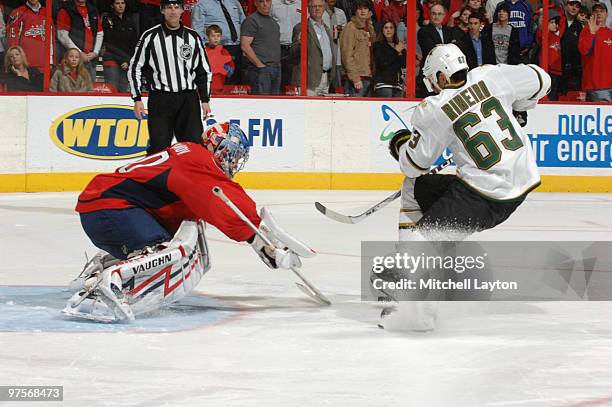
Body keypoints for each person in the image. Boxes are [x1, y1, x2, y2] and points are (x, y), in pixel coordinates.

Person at [64, 122, 313, 322]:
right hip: (111, 210)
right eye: (233, 155)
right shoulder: (197, 159)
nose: (235, 163)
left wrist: (261, 238)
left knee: (167, 241)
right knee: (165, 249)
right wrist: (260, 239)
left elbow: (210, 206)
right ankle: (113, 279)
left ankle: (100, 268)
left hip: (104, 209)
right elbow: (225, 201)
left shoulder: (189, 155)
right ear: (218, 148)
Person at [379, 43, 550, 331]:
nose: (433, 86)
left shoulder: (435, 109)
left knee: (422, 243)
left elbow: (414, 163)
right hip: (521, 180)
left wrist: (399, 144)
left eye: (434, 80)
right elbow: (542, 79)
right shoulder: (492, 76)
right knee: (418, 188)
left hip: (483, 195)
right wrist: (518, 107)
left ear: (442, 78)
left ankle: (413, 314)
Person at [128, 0, 212, 155]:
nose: (173, 11)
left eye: (176, 7)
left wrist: (205, 100)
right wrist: (137, 98)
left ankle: (191, 180)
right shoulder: (150, 36)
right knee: (159, 148)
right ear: (162, 11)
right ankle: (158, 179)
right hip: (161, 99)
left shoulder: (193, 37)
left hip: (188, 100)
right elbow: (135, 67)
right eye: (169, 7)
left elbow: (204, 70)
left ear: (182, 11)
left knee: (193, 147)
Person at [191, 0, 245, 84]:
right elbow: (197, 29)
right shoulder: (201, 4)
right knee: (218, 81)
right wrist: (205, 51)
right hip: (215, 49)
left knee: (236, 82)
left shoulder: (234, 2)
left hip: (236, 48)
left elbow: (243, 23)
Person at [289, 0, 336, 96]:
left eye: (320, 6)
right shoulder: (301, 27)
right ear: (308, 9)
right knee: (307, 110)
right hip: (309, 81)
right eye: (314, 6)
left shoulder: (327, 29)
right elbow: (293, 54)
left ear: (324, 9)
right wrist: (299, 44)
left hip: (326, 79)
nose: (317, 8)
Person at [240, 0, 282, 95]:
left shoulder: (274, 23)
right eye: (261, 1)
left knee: (274, 105)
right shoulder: (251, 21)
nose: (265, 4)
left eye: (268, 1)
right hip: (260, 71)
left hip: (276, 69)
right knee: (261, 106)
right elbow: (245, 46)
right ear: (256, 3)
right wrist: (259, 65)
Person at [56, 0, 104, 81]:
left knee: (89, 90)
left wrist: (95, 52)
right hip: (72, 60)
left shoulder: (93, 10)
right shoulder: (66, 9)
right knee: (72, 89)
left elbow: (100, 32)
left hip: (91, 59)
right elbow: (62, 35)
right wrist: (78, 53)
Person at [340, 0, 376, 96]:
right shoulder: (350, 27)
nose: (363, 11)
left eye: (365, 8)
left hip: (368, 76)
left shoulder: (369, 27)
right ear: (355, 11)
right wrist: (355, 78)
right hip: (356, 79)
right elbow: (346, 55)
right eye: (360, 9)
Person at [101, 0, 138, 93]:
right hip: (112, 59)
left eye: (123, 3)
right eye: (117, 3)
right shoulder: (107, 20)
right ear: (112, 6)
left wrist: (129, 60)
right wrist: (122, 60)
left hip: (126, 62)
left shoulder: (129, 19)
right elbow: (109, 43)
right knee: (111, 91)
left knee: (123, 92)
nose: (121, 6)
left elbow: (134, 42)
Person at [578, 2, 611, 102]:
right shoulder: (586, 31)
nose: (599, 14)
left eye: (602, 11)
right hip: (597, 86)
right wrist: (592, 33)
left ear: (607, 14)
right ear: (592, 15)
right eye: (596, 11)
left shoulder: (610, 33)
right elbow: (584, 50)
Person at [6, 0, 50, 74]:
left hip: (44, 65)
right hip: (25, 66)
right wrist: (16, 63)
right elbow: (12, 39)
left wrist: (51, 61)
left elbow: (51, 39)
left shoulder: (46, 12)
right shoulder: (17, 12)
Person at [372, 20, 405, 97]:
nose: (388, 30)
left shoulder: (399, 44)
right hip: (384, 84)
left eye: (391, 27)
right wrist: (395, 51)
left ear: (395, 30)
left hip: (398, 85)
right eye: (386, 28)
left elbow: (403, 64)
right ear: (382, 30)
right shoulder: (378, 45)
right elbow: (382, 63)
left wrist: (400, 54)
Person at [559, 0, 584, 96]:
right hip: (554, 67)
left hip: (571, 70)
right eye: (571, 5)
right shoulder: (557, 20)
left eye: (577, 6)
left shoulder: (579, 26)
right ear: (566, 6)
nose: (574, 8)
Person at [536, 13, 562, 100]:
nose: (555, 25)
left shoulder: (557, 37)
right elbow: (540, 36)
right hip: (546, 70)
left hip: (556, 71)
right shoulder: (543, 34)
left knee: (553, 96)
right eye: (552, 22)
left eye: (556, 23)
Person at [205, 24, 235, 93]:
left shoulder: (224, 52)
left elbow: (231, 68)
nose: (216, 38)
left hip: (220, 85)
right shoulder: (203, 51)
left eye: (218, 36)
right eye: (213, 36)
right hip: (205, 85)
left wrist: (227, 69)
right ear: (208, 37)